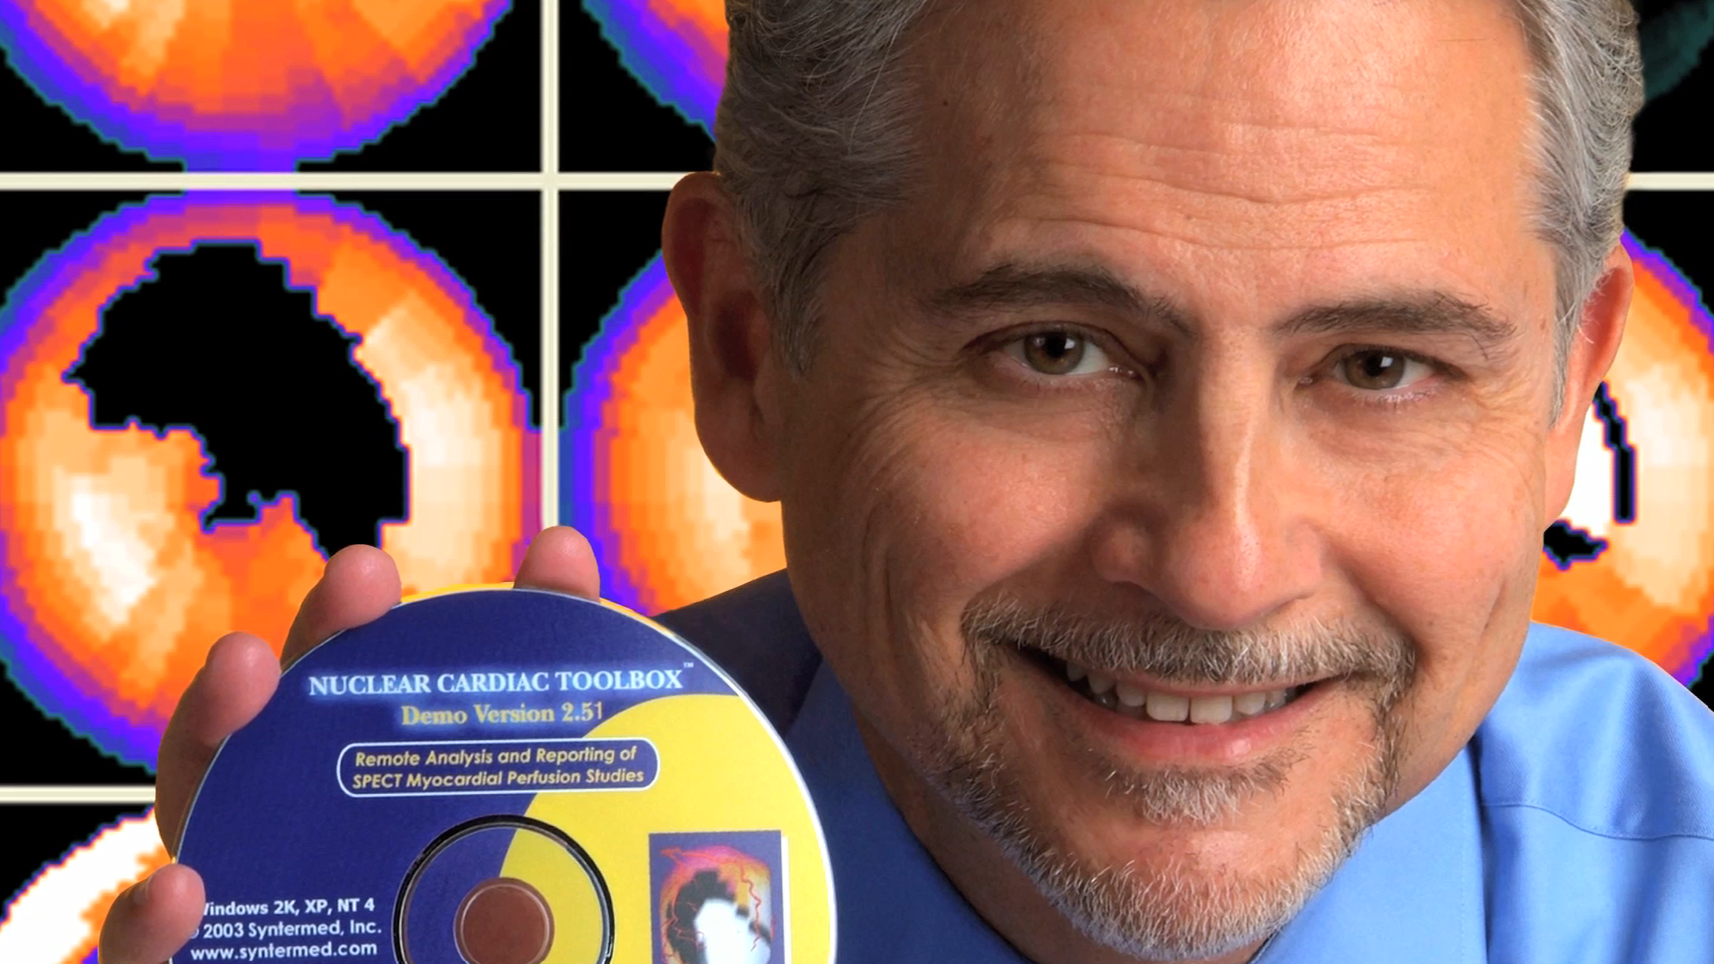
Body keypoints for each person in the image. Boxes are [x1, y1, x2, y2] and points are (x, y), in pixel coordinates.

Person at [102, 0, 1714, 962]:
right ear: (749, 347)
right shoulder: (465, 877)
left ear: (1572, 391)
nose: (1223, 567)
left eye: (1377, 368)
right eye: (1054, 350)